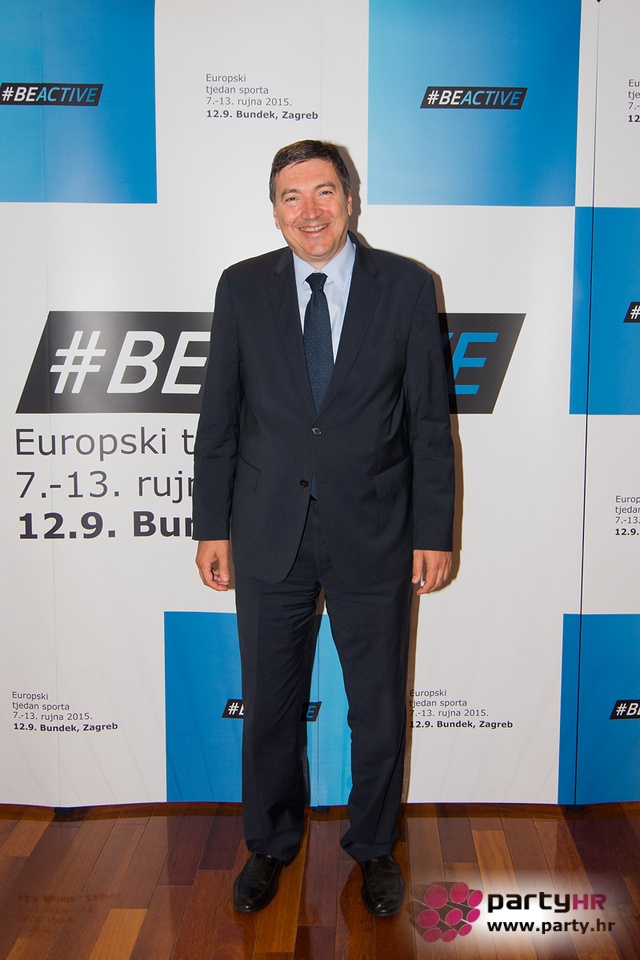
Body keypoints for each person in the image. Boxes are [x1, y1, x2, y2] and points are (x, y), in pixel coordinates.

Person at [193, 140, 454, 916]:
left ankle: (373, 847)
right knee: (270, 707)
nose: (309, 211)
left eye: (324, 192)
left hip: (375, 530)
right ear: (274, 210)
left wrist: (433, 532)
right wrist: (211, 526)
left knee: (376, 706)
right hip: (268, 530)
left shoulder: (406, 286)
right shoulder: (241, 288)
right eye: (291, 196)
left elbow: (429, 424)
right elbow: (219, 416)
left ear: (350, 198)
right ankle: (270, 844)